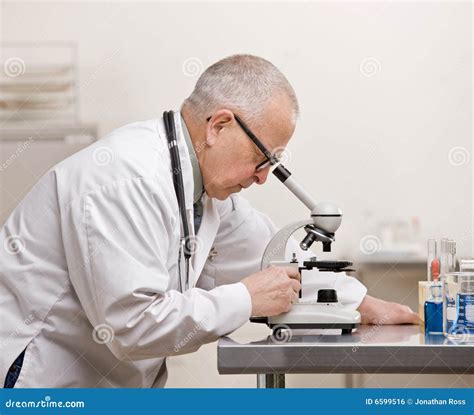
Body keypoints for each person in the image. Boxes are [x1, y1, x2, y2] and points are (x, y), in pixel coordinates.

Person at [0, 54, 418, 388]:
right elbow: (131, 326)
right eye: (263, 158)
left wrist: (362, 304)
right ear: (219, 125)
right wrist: (245, 299)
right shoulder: (124, 179)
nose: (261, 177)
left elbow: (270, 261)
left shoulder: (206, 189)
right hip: (42, 385)